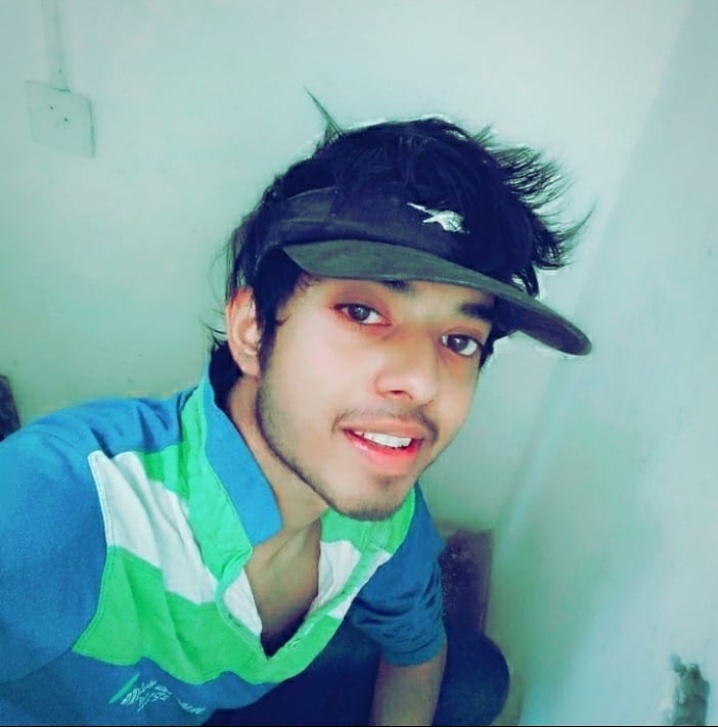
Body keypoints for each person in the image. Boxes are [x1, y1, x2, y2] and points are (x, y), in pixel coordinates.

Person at [0, 108, 590, 726]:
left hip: (228, 701)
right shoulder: (58, 506)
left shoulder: (385, 513)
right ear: (253, 330)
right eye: (362, 312)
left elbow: (416, 649)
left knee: (474, 678)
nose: (423, 381)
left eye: (460, 340)